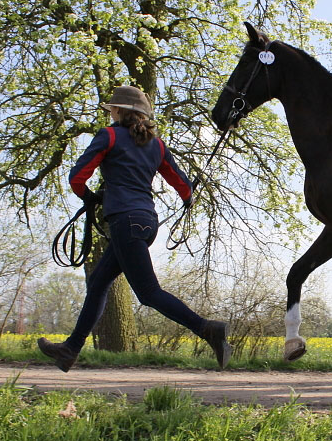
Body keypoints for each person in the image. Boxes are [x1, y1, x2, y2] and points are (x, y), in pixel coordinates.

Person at [38, 85, 231, 372]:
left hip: (124, 222)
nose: (110, 112)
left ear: (119, 111)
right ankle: (70, 349)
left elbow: (78, 176)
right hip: (146, 223)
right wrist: (189, 195)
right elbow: (182, 184)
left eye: (112, 108)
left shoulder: (109, 135)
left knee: (148, 292)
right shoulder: (158, 145)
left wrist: (89, 197)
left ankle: (207, 329)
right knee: (99, 283)